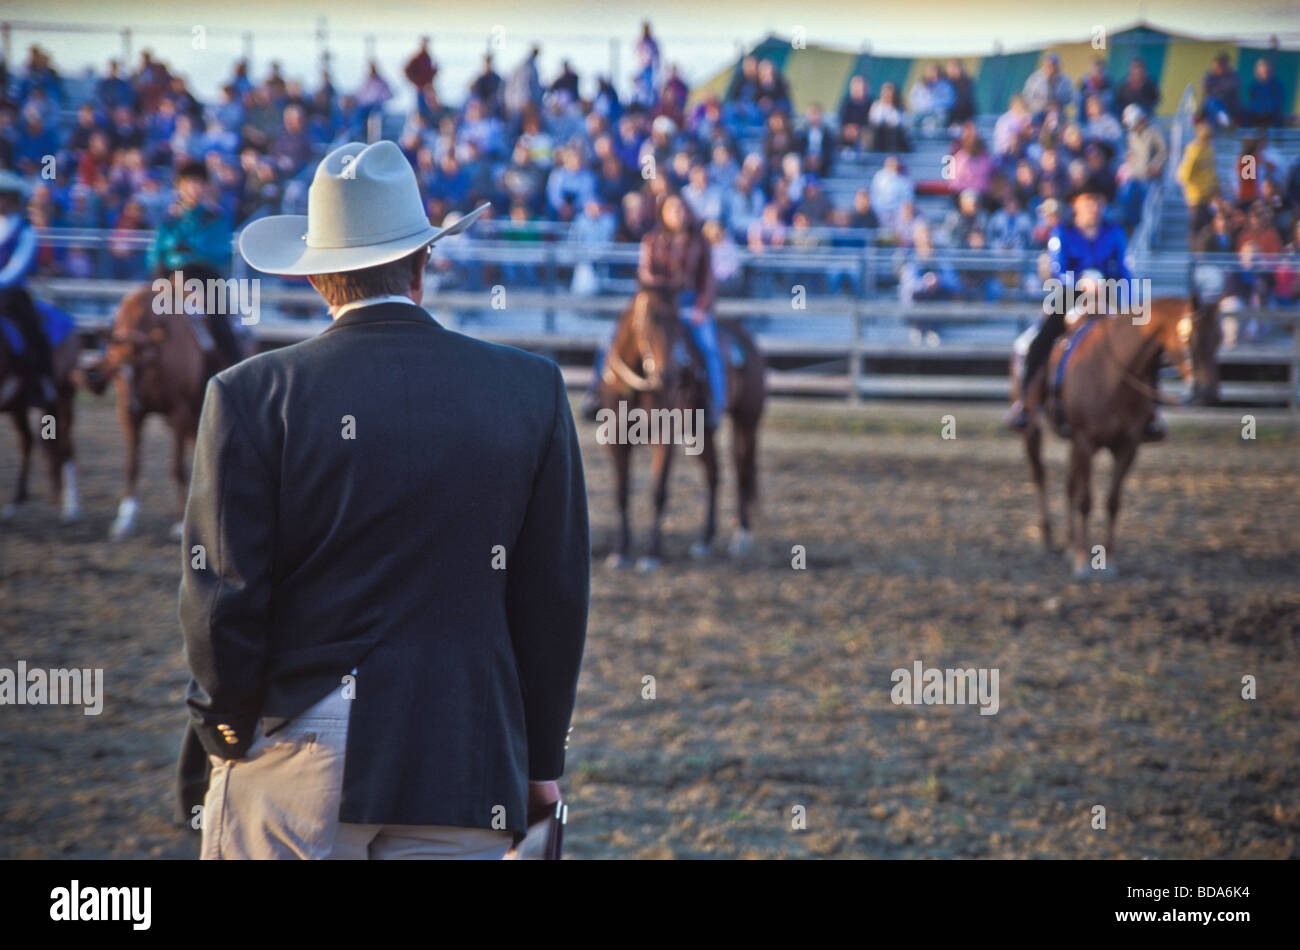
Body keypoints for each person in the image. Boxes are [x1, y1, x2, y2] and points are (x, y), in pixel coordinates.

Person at [177, 140, 589, 860]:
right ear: (423, 266)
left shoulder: (248, 396)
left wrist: (227, 730)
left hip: (296, 745)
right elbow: (553, 598)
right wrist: (540, 762)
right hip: (466, 750)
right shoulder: (530, 391)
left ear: (317, 279)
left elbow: (222, 597)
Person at [1006, 178, 1165, 440]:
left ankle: (1150, 412)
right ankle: (1024, 404)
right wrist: (1082, 282)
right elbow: (1058, 270)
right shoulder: (1062, 233)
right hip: (1070, 296)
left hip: (1109, 296)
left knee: (1142, 342)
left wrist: (1126, 302)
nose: (1095, 206)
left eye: (1099, 201)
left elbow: (1124, 271)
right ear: (1075, 205)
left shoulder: (1114, 232)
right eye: (1089, 201)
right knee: (1042, 338)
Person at [0, 169, 56, 405]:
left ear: (12, 199)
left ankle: (42, 383)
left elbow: (17, 268)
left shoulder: (25, 231)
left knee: (33, 333)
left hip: (10, 295)